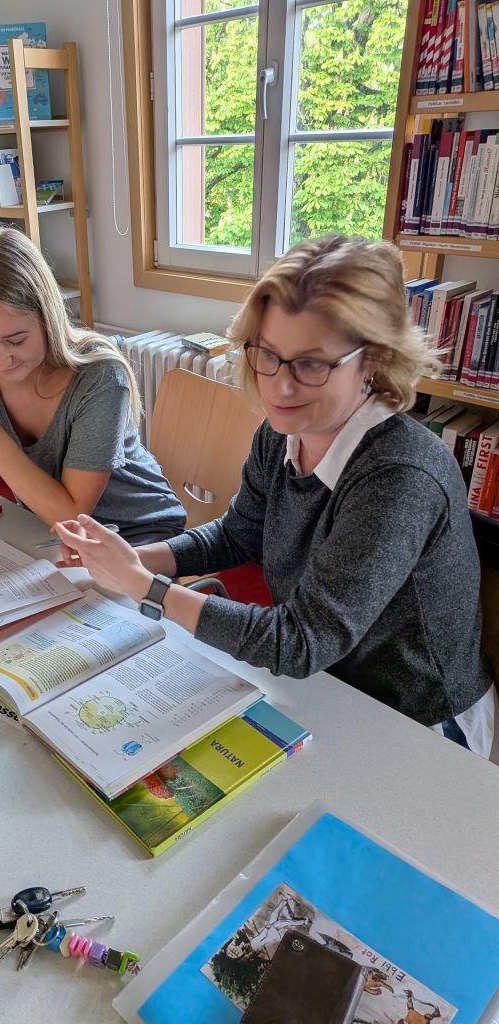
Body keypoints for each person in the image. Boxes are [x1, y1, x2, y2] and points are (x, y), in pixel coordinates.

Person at [53, 234, 497, 760]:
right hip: (329, 686)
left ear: (373, 360)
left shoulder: (398, 476)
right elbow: (240, 533)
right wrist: (130, 559)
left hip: (420, 723)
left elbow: (301, 641)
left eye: (311, 364)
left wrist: (143, 587)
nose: (280, 388)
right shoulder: (284, 430)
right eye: (268, 355)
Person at [0, 228, 185, 544]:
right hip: (52, 534)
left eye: (16, 340)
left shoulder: (100, 376)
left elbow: (72, 514)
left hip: (140, 532)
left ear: (47, 317)